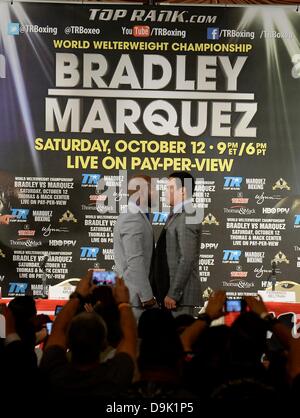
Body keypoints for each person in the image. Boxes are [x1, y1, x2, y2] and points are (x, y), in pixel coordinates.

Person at [40, 271, 136, 400]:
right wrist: (123, 303)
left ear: (68, 341)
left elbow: (58, 330)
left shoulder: (53, 372)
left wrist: (77, 296)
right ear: (104, 344)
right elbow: (129, 336)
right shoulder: (115, 378)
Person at [153, 171, 202, 316]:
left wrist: (174, 293)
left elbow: (187, 258)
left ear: (183, 191)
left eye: (170, 188)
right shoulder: (177, 214)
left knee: (180, 338)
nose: (166, 192)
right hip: (170, 296)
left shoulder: (188, 215)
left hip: (179, 299)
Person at [113, 175, 157, 319]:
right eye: (154, 189)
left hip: (136, 298)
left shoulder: (140, 215)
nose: (157, 193)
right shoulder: (132, 217)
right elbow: (135, 261)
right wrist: (147, 296)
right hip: (136, 300)